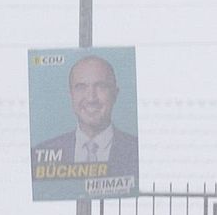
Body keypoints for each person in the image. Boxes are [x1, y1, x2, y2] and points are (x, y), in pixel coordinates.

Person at [33, 53, 138, 184]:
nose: (91, 98)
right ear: (71, 95)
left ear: (115, 94)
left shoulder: (137, 151)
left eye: (101, 86)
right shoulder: (41, 155)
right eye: (81, 87)